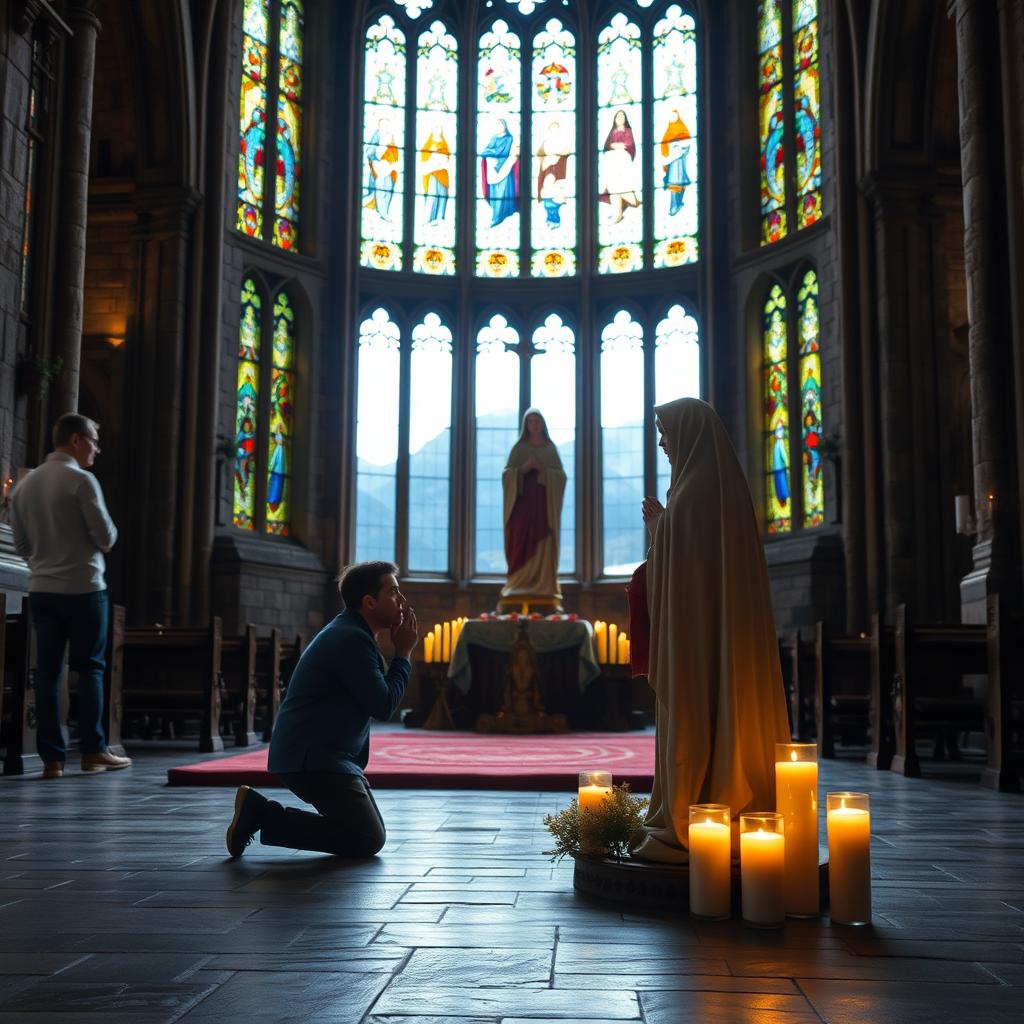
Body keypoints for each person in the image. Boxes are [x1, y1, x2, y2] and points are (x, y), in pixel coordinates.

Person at [631, 398, 790, 862]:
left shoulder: (694, 493)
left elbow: (681, 579)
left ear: (688, 433)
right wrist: (665, 529)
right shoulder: (721, 487)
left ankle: (689, 816)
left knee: (697, 712)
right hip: (718, 639)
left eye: (665, 432)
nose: (661, 442)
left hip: (695, 646)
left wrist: (660, 528)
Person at [225, 561, 418, 859]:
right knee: (367, 839)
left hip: (321, 757)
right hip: (313, 759)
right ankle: (261, 814)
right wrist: (403, 655)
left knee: (369, 832)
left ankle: (259, 812)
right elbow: (383, 705)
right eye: (394, 592)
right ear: (369, 602)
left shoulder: (352, 632)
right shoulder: (352, 639)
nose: (402, 602)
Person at [9, 413, 131, 778]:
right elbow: (106, 538)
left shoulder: (25, 485)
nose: (97, 447)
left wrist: (46, 562)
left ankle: (52, 758)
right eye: (93, 439)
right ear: (75, 440)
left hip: (42, 589)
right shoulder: (82, 481)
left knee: (46, 673)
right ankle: (93, 751)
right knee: (91, 668)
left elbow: (20, 544)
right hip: (84, 588)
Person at [499, 409, 566, 611]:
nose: (534, 425)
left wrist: (545, 472)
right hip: (522, 509)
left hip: (543, 510)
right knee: (520, 543)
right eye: (530, 422)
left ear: (543, 424)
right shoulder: (518, 449)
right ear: (526, 425)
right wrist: (523, 470)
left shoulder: (550, 449)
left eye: (537, 421)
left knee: (544, 543)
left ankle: (544, 584)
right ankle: (518, 583)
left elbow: (561, 477)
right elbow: (507, 476)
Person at [599, 109, 640, 224]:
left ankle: (635, 204)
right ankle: (618, 214)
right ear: (615, 119)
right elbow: (607, 146)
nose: (620, 118)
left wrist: (616, 146)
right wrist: (614, 145)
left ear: (625, 118)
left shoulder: (627, 131)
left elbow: (627, 145)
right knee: (613, 186)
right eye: (618, 116)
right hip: (611, 161)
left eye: (622, 116)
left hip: (622, 160)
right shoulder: (612, 132)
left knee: (617, 186)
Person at [480, 118, 519, 228]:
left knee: (503, 192)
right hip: (493, 169)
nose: (498, 127)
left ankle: (502, 216)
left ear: (505, 126)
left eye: (500, 125)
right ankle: (496, 215)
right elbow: (485, 150)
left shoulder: (509, 138)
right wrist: (492, 152)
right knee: (494, 193)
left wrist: (493, 152)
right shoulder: (494, 138)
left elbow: (504, 152)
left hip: (504, 165)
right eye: (496, 125)